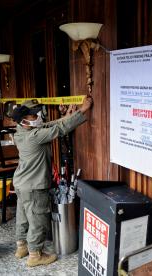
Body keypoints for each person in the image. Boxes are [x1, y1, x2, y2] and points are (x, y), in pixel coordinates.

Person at [11, 96, 92, 267]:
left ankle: (21, 247)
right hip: (34, 185)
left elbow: (51, 124)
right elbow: (59, 129)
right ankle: (35, 255)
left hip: (21, 183)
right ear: (25, 121)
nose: (38, 116)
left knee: (23, 215)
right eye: (34, 116)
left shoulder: (20, 131)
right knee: (38, 219)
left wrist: (70, 114)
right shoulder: (34, 136)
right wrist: (83, 110)